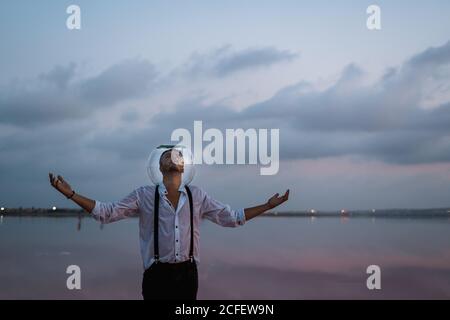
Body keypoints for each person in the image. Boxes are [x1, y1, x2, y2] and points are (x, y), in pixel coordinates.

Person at [49, 149, 289, 300]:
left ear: (183, 166)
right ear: (160, 166)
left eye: (178, 155)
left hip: (188, 274)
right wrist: (71, 194)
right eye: (168, 154)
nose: (173, 156)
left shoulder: (198, 195)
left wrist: (267, 206)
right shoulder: (143, 195)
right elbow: (106, 213)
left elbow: (233, 217)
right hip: (156, 275)